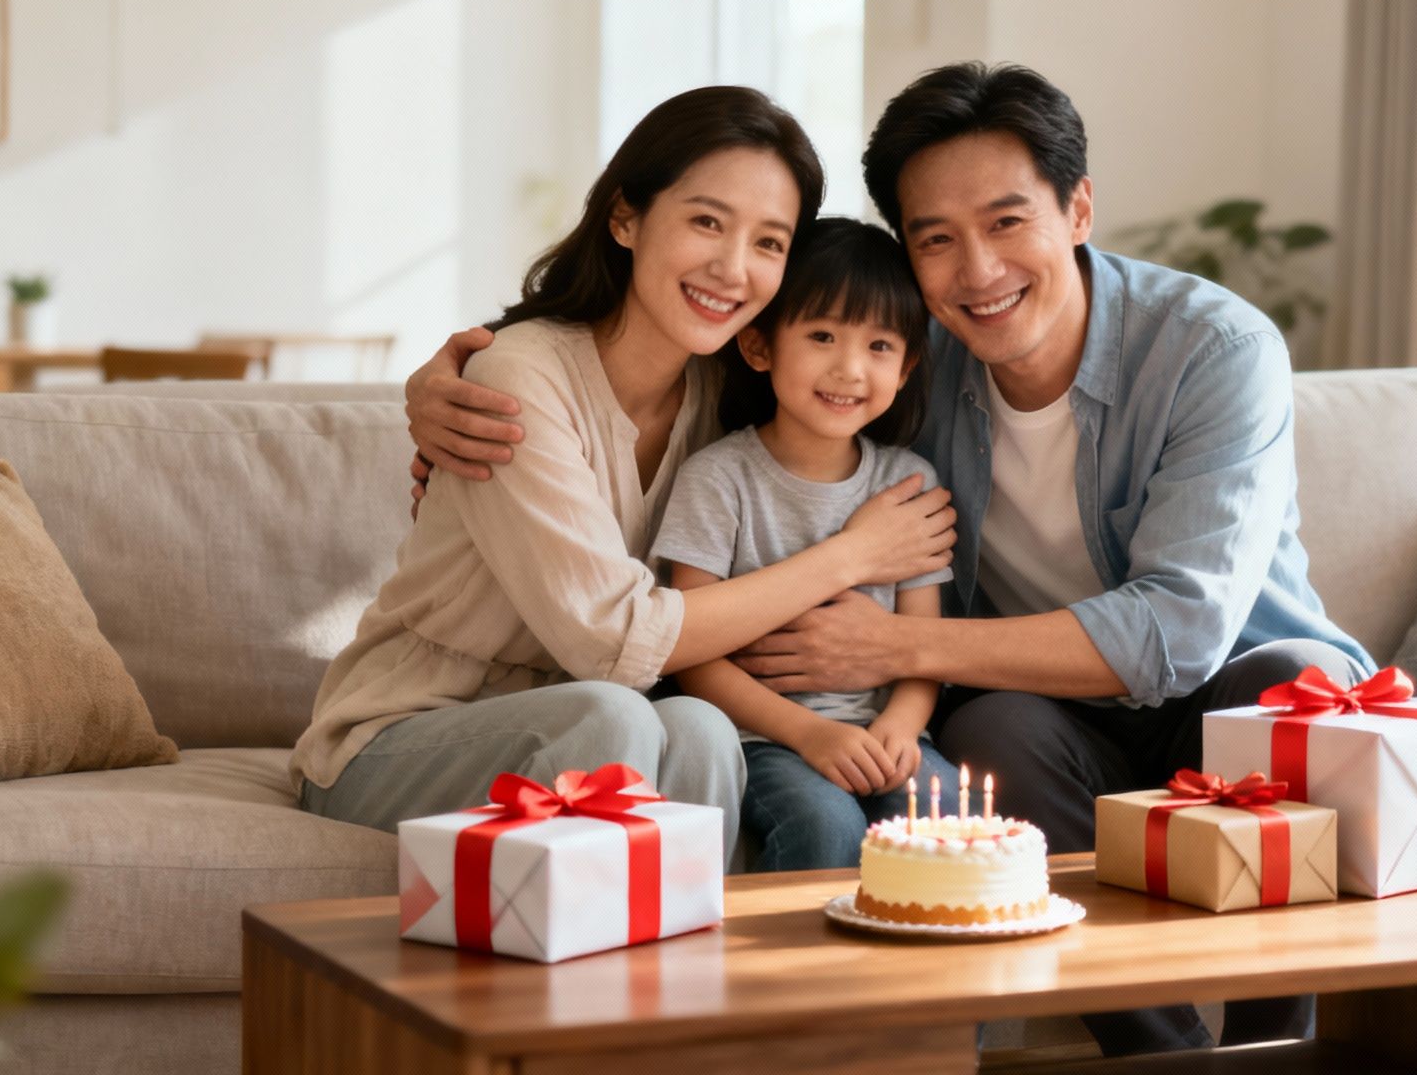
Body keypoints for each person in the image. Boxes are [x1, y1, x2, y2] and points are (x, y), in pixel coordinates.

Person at [403, 64, 1371, 1055]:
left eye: (1006, 222)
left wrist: (896, 649)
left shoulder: (1213, 349)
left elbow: (1179, 633)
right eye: (934, 239)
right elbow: (709, 350)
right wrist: (443, 381)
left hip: (1218, 690)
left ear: (1078, 209)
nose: (977, 271)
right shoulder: (902, 358)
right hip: (1040, 714)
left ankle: (1281, 1050)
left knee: (1296, 694)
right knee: (992, 734)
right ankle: (1159, 1054)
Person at [290, 86, 956, 862]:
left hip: (597, 726)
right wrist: (853, 556)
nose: (733, 268)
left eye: (769, 243)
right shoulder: (521, 377)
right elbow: (614, 642)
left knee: (697, 727)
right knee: (612, 716)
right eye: (707, 222)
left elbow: (856, 365)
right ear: (625, 218)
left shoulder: (723, 390)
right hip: (400, 740)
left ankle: (695, 940)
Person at [651, 217, 959, 872]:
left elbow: (925, 646)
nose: (849, 369)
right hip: (763, 738)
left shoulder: (909, 484)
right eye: (822, 336)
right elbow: (693, 657)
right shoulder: (718, 478)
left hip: (884, 733)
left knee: (950, 812)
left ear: (906, 366)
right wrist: (810, 733)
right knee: (824, 824)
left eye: (880, 345)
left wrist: (900, 728)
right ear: (759, 346)